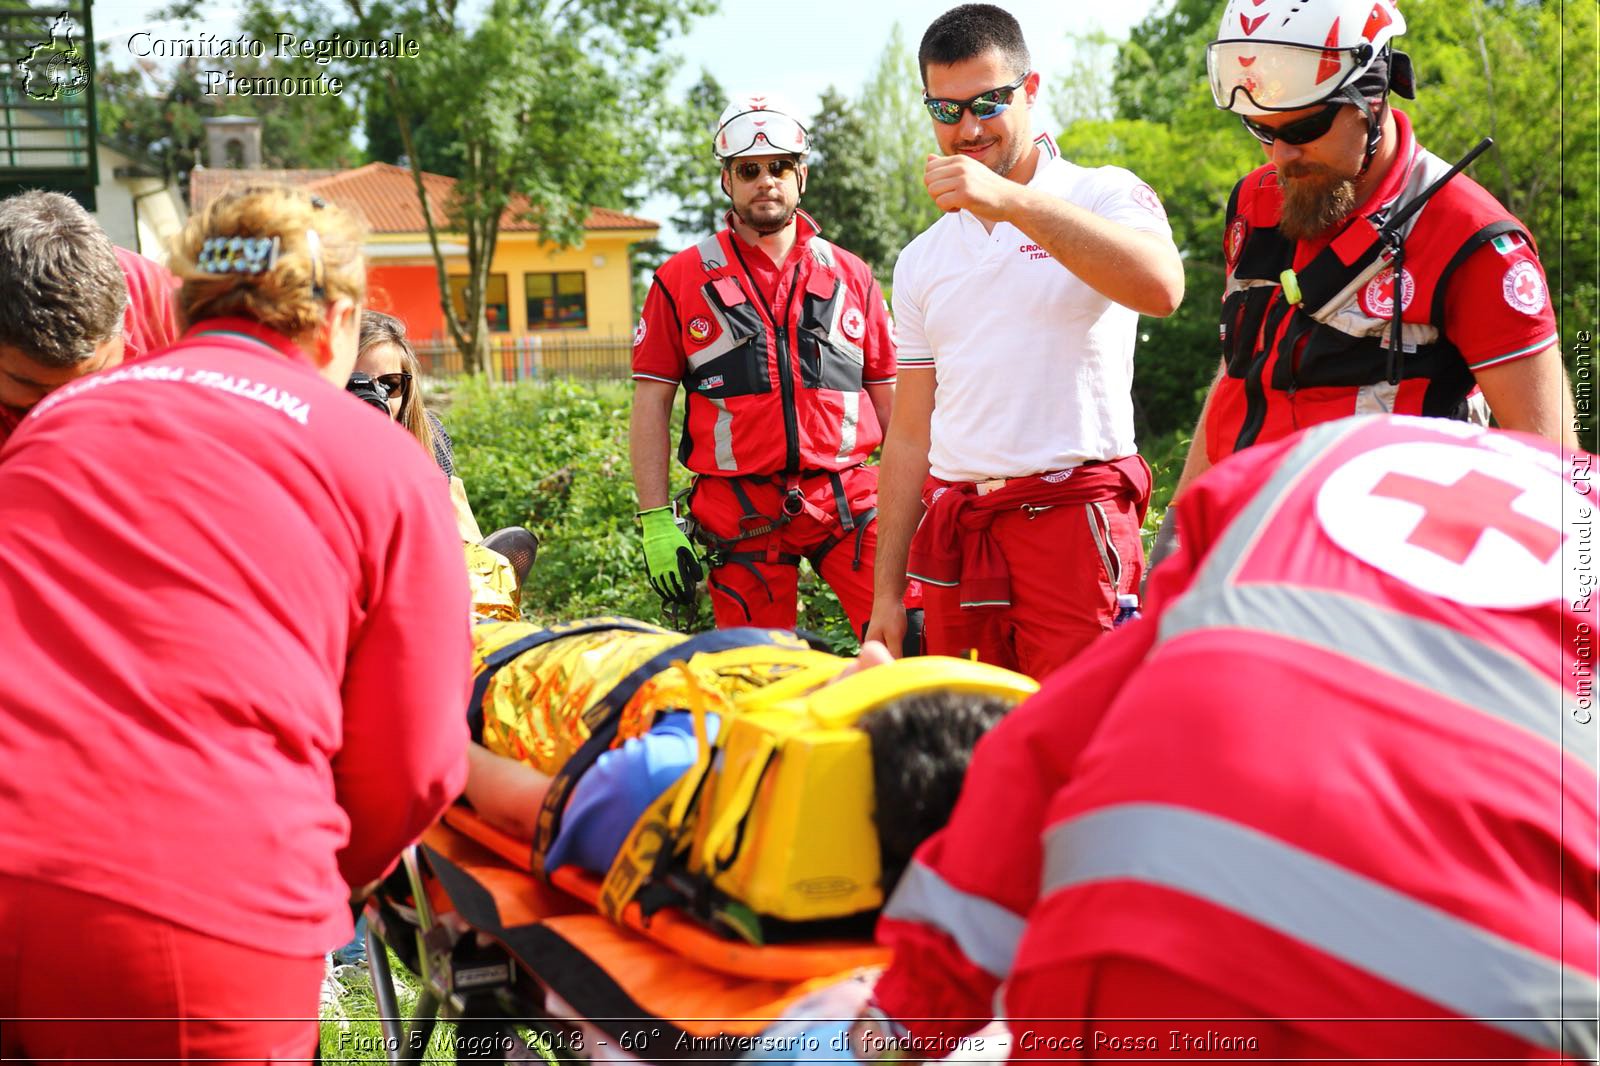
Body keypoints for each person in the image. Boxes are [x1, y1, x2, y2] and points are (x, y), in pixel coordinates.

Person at [822, 414, 1595, 1062]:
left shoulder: (1291, 472)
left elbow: (1037, 756)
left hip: (1143, 971)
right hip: (1499, 1015)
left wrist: (904, 1023)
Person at [0, 185, 472, 1062]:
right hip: (193, 912)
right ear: (336, 323)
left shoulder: (49, 424)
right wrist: (308, 882)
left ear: (174, 302)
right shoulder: (377, 456)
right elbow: (415, 767)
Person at [864, 4, 1185, 679]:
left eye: (989, 102)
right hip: (962, 532)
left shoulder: (1100, 193)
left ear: (1031, 90)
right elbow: (910, 436)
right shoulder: (922, 257)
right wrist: (887, 595)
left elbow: (1162, 288)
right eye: (946, 110)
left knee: (1082, 744)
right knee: (973, 745)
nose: (968, 128)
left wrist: (1010, 203)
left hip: (1074, 519)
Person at [1173, 0, 1576, 506]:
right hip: (1240, 542)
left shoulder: (1474, 241)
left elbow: (1552, 464)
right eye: (1262, 130)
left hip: (1377, 561)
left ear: (1375, 98)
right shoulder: (1256, 200)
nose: (1281, 157)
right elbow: (1239, 372)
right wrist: (1178, 529)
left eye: (1302, 130)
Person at [463, 623, 1018, 899]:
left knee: (465, 604)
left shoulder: (675, 780)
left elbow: (520, 808)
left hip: (492, 668)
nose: (873, 653)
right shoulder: (828, 710)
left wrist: (425, 736)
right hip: (639, 652)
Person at [630, 93, 896, 631]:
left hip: (848, 496)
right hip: (737, 511)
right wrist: (656, 520)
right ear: (727, 180)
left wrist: (930, 491)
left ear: (801, 176)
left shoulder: (853, 275)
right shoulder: (680, 279)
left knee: (905, 635)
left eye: (779, 167)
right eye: (748, 170)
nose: (765, 180)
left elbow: (892, 397)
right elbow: (651, 403)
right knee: (758, 670)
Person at [0, 190, 178, 449]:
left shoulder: (169, 303)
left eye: (90, 377)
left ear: (125, 317)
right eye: (33, 387)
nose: (63, 410)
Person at [355, 308, 484, 540]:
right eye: (360, 385)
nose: (376, 397)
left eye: (389, 384)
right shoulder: (309, 443)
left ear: (406, 388)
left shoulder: (428, 436)